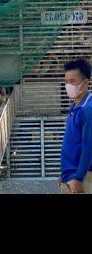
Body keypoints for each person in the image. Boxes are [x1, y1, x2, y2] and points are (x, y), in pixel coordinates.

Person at [59, 58, 92, 194]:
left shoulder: (88, 109)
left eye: (72, 81)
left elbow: (88, 147)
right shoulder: (75, 107)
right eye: (66, 81)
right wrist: (63, 175)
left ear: (85, 83)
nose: (68, 85)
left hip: (82, 179)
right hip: (70, 177)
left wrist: (78, 177)